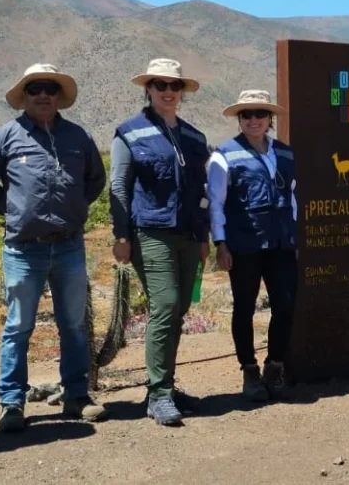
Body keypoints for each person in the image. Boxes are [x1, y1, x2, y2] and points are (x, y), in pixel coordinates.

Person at [0, 64, 109, 432]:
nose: (43, 95)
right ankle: (12, 403)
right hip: (23, 249)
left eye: (50, 88)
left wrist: (75, 208)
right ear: (24, 96)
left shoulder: (77, 137)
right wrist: (16, 210)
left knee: (74, 325)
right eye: (35, 88)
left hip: (69, 246)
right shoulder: (5, 137)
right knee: (19, 326)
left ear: (58, 95)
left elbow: (95, 180)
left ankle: (77, 395)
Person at [110, 58, 210, 425]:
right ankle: (159, 394)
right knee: (166, 304)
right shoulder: (130, 133)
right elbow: (119, 186)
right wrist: (121, 234)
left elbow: (202, 192)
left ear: (181, 92)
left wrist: (203, 237)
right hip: (149, 231)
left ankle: (166, 383)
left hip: (188, 234)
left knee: (180, 306)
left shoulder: (195, 138)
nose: (168, 91)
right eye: (161, 84)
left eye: (175, 85)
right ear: (148, 89)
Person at [207, 90, 298, 402]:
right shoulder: (224, 155)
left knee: (286, 305)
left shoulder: (285, 154)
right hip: (244, 244)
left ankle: (275, 366)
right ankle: (249, 370)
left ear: (270, 118)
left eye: (260, 114)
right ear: (239, 119)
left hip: (282, 242)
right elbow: (216, 203)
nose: (254, 120)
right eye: (247, 115)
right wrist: (221, 243)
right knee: (244, 308)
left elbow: (293, 198)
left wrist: (294, 233)